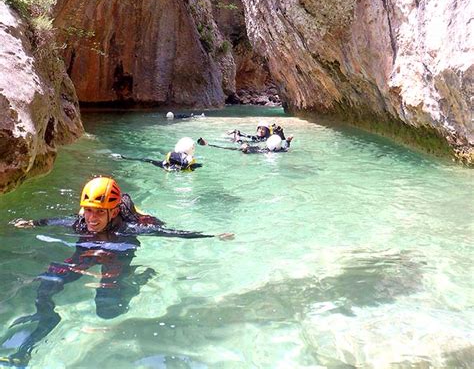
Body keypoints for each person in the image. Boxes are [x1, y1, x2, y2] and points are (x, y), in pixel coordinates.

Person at [2, 177, 232, 366]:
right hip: (89, 251)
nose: (92, 219)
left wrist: (212, 235)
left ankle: (136, 280)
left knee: (107, 308)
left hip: (118, 251)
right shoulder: (81, 222)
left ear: (113, 212)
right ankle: (47, 318)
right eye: (88, 211)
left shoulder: (129, 228)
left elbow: (172, 233)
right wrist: (32, 223)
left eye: (99, 212)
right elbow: (57, 221)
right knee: (48, 281)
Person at [118, 137, 202, 171]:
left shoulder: (173, 156)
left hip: (164, 165)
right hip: (181, 173)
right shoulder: (191, 162)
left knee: (147, 160)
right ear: (192, 149)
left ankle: (123, 157)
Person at [198, 133, 293, 154]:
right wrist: (288, 141)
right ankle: (208, 144)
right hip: (255, 149)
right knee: (235, 147)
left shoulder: (265, 151)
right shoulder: (280, 150)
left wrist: (245, 150)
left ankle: (208, 144)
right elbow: (286, 147)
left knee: (232, 148)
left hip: (253, 150)